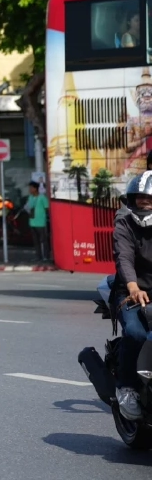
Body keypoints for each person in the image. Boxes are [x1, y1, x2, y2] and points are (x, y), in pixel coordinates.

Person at [114, 172, 152, 420]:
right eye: (139, 198)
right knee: (138, 333)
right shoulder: (124, 223)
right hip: (129, 292)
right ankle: (125, 386)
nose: (143, 202)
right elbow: (124, 257)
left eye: (148, 199)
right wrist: (132, 286)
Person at [24, 181, 50, 261]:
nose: (30, 190)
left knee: (43, 240)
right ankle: (38, 256)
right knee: (36, 241)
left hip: (41, 222)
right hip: (32, 222)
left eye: (31, 188)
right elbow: (28, 207)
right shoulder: (30, 197)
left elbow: (47, 208)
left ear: (35, 189)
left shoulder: (42, 197)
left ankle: (45, 256)